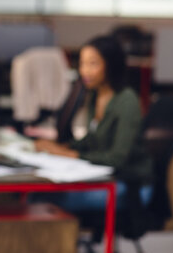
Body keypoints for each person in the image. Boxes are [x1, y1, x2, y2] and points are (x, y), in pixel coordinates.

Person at [33, 35, 152, 212]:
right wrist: (61, 147)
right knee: (38, 194)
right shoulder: (95, 95)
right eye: (82, 64)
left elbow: (116, 158)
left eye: (93, 64)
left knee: (47, 198)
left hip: (129, 185)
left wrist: (70, 154)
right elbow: (93, 140)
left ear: (110, 65)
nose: (84, 71)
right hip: (105, 179)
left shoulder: (127, 101)